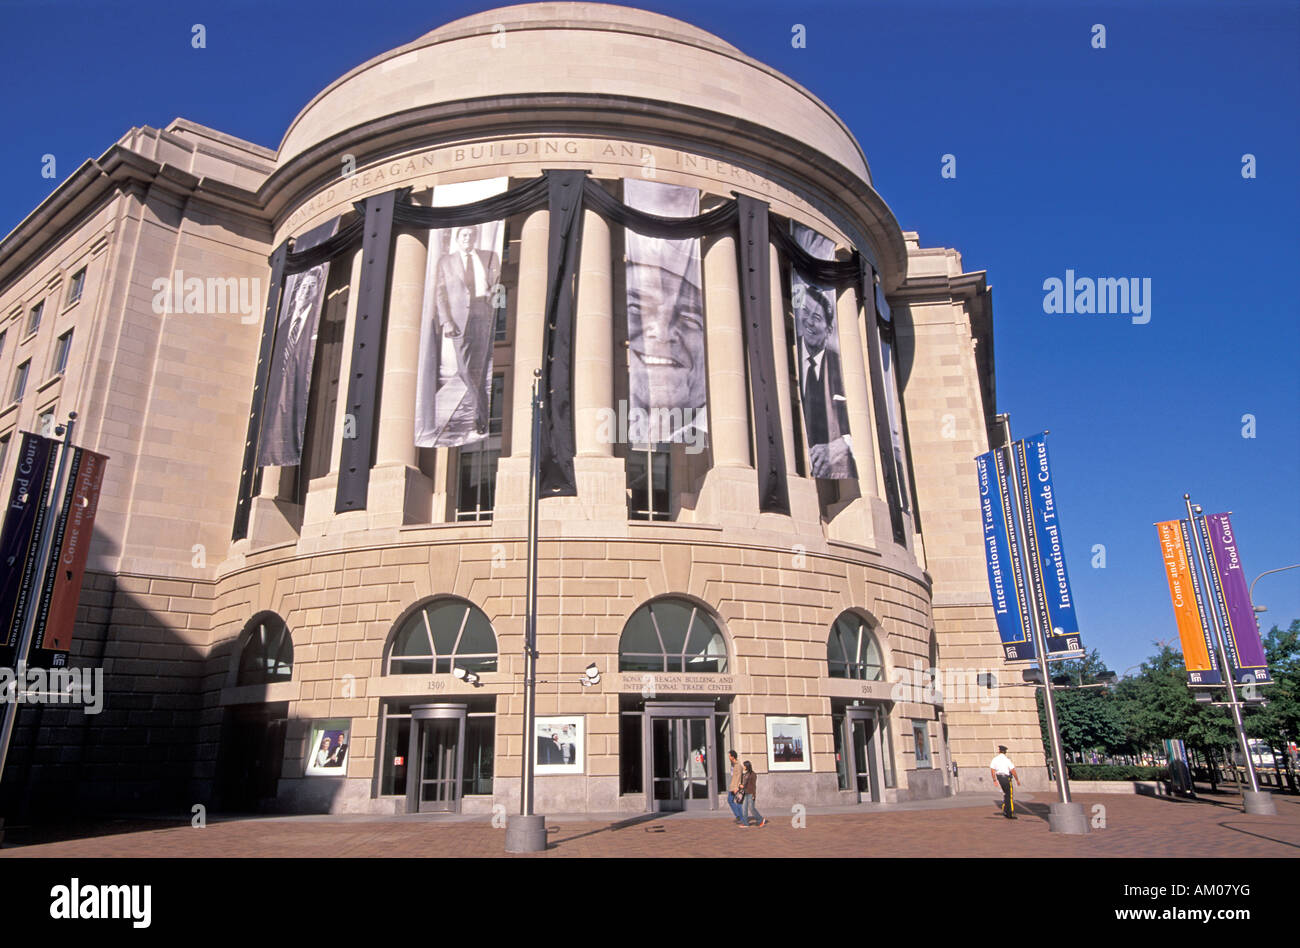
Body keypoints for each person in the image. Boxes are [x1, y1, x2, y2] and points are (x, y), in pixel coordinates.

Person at [435, 224, 501, 435]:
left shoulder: (489, 256)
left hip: (483, 313)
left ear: (476, 238)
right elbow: (440, 293)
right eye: (464, 235)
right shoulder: (446, 262)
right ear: (457, 238)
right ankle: (481, 411)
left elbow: (497, 284)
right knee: (465, 369)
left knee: (479, 369)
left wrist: (495, 307)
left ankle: (479, 418)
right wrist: (446, 321)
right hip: (459, 320)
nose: (467, 238)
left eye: (471, 235)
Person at [794, 285, 856, 479]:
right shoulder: (785, 353)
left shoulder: (841, 364)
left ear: (829, 330)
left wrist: (843, 444)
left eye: (817, 318)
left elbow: (863, 417)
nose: (809, 322)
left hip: (836, 470)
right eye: (805, 313)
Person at [989, 745, 1019, 819]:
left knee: (1005, 794)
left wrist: (994, 780)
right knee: (1009, 795)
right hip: (1006, 778)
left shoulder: (995, 759)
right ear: (1005, 752)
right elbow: (1013, 770)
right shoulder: (1007, 760)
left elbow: (992, 770)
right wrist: (1017, 779)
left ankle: (1005, 809)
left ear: (999, 751)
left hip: (999, 778)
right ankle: (1009, 813)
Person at [740, 760, 766, 828]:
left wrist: (754, 795)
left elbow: (754, 785)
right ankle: (745, 823)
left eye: (744, 766)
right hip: (745, 793)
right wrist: (741, 786)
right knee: (744, 808)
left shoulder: (753, 774)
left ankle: (761, 820)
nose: (743, 767)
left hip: (751, 793)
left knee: (751, 808)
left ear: (747, 766)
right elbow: (744, 784)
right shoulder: (745, 774)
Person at [726, 750, 746, 825]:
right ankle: (738, 816)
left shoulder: (738, 766)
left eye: (729, 756)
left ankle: (741, 818)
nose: (729, 757)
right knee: (730, 800)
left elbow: (739, 777)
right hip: (732, 786)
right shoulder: (733, 764)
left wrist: (736, 787)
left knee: (738, 803)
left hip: (735, 787)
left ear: (733, 757)